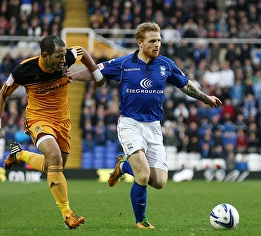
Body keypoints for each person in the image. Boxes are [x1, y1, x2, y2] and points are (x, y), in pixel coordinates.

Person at [70, 22, 222, 229]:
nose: (157, 44)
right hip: (130, 124)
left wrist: (205, 98)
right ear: (140, 43)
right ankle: (140, 221)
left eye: (159, 40)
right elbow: (96, 72)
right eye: (152, 41)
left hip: (153, 127)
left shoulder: (165, 65)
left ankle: (123, 166)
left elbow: (185, 84)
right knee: (142, 174)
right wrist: (73, 77)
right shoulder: (124, 64)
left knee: (159, 181)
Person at [0, 35, 104, 229]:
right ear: (45, 55)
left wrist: (97, 75)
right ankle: (68, 215)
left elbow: (82, 52)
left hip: (63, 121)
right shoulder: (24, 71)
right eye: (59, 57)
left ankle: (20, 155)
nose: (63, 60)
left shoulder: (66, 56)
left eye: (64, 56)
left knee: (55, 167)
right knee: (55, 157)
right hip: (38, 119)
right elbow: (2, 94)